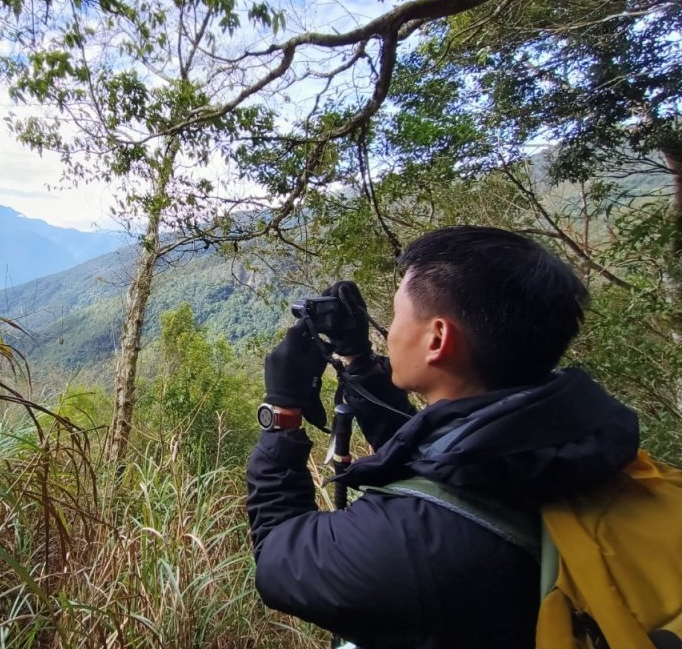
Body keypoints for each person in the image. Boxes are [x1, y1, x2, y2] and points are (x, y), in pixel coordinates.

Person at [246, 226, 640, 649]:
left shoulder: (410, 544)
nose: (390, 331)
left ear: (437, 339)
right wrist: (359, 364)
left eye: (397, 315)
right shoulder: (574, 442)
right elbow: (445, 466)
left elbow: (278, 555)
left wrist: (281, 414)